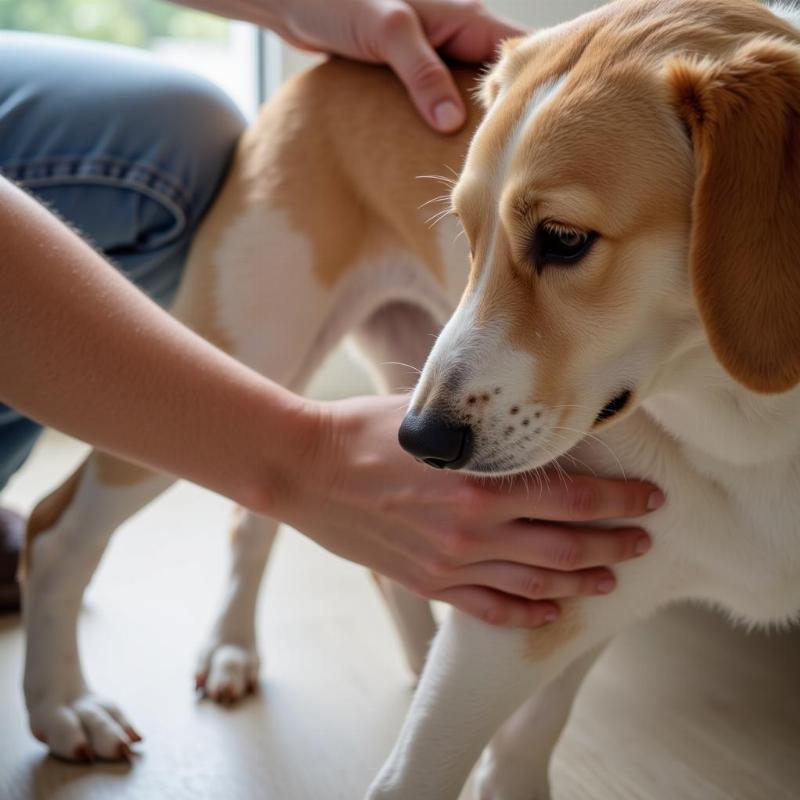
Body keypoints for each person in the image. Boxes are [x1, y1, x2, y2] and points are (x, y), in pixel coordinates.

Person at [0, 0, 662, 624]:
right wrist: (298, 458)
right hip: (322, 154)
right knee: (234, 385)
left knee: (181, 135)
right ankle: (64, 561)